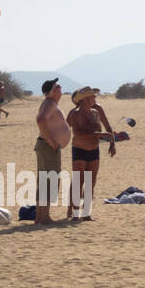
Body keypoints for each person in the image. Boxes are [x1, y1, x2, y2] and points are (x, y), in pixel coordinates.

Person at [66, 87, 116, 221]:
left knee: (91, 182)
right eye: (92, 96)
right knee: (78, 181)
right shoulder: (75, 114)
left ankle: (86, 213)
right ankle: (75, 213)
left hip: (94, 150)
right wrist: (100, 135)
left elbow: (99, 130)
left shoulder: (95, 112)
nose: (95, 98)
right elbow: (79, 134)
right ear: (85, 99)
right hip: (79, 149)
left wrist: (111, 141)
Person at [33, 79, 69, 225]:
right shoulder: (49, 103)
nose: (60, 88)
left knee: (46, 181)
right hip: (48, 146)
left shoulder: (50, 104)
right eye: (58, 86)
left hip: (46, 145)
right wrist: (51, 141)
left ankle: (42, 217)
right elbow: (41, 119)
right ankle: (43, 217)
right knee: (49, 180)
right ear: (53, 91)